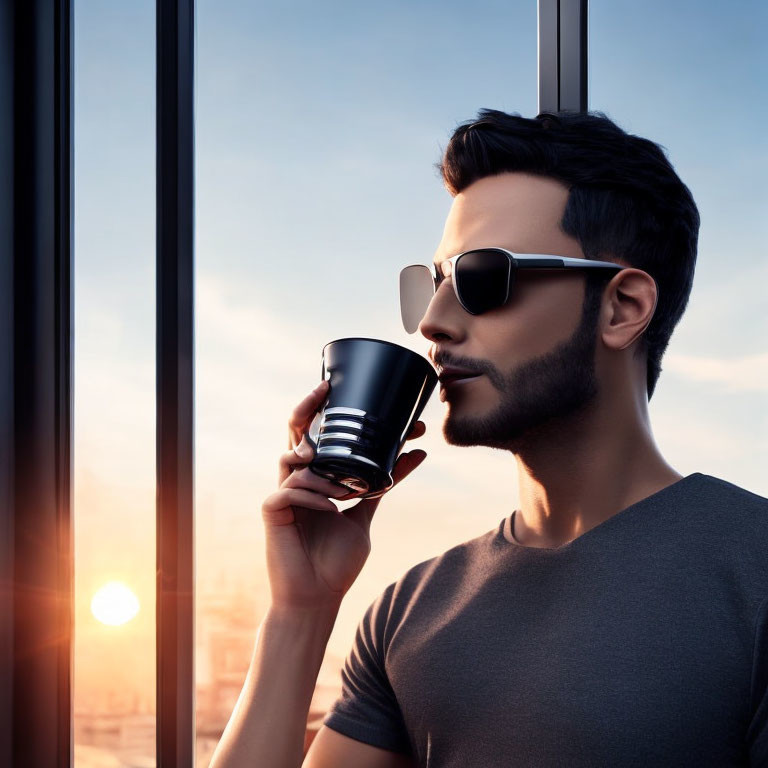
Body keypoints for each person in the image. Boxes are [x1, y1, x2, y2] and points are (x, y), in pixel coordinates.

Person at [209, 110, 768, 767]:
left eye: (481, 278)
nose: (433, 322)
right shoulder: (408, 611)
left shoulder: (752, 573)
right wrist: (299, 615)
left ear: (622, 308)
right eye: (435, 282)